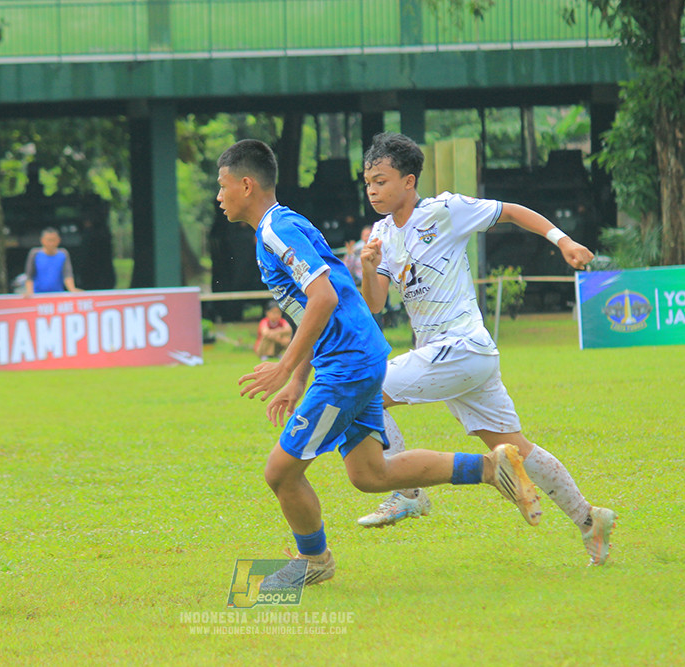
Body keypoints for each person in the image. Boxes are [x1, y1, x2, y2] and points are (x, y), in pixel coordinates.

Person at [217, 139, 540, 588]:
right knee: (370, 474)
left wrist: (284, 365)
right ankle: (491, 468)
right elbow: (320, 304)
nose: (219, 197)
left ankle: (314, 560)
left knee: (280, 472)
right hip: (356, 356)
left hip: (348, 365)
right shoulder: (278, 227)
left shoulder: (277, 230)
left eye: (223, 186)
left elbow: (324, 299)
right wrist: (297, 378)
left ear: (246, 185)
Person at [356, 132, 616, 565]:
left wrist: (563, 240)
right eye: (368, 183)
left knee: (362, 389)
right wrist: (368, 270)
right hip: (457, 359)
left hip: (462, 347)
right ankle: (591, 520)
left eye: (381, 181)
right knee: (517, 449)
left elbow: (510, 211)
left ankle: (408, 493)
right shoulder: (382, 234)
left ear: (409, 181)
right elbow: (376, 304)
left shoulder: (444, 210)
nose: (372, 190)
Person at [24, 227, 81, 295]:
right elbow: (29, 276)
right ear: (42, 240)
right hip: (38, 295)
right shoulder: (34, 253)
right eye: (49, 240)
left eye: (53, 240)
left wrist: (72, 289)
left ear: (59, 240)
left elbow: (67, 275)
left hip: (58, 295)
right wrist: (29, 292)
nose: (51, 243)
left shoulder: (63, 254)